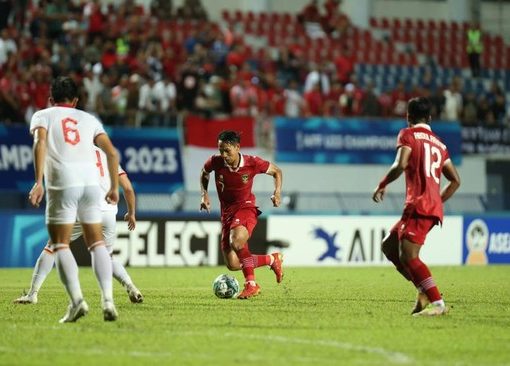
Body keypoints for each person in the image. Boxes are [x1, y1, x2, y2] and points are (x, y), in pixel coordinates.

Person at [28, 76, 120, 322]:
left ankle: (77, 301)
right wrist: (113, 187)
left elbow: (40, 142)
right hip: (92, 186)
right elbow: (111, 152)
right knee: (97, 243)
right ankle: (108, 301)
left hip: (63, 183)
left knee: (60, 244)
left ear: (51, 99)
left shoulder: (43, 115)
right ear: (77, 100)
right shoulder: (89, 119)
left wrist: (38, 182)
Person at [15, 147, 143, 305]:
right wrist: (131, 213)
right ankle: (131, 287)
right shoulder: (108, 156)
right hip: (108, 214)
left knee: (52, 247)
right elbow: (128, 189)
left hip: (84, 210)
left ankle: (32, 294)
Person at [372, 97, 461, 317]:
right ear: (430, 118)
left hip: (418, 205)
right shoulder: (440, 144)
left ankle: (438, 303)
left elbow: (400, 164)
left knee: (409, 256)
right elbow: (455, 180)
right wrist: (437, 201)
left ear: (408, 117)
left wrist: (382, 183)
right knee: (389, 246)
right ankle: (423, 290)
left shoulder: (408, 134)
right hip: (430, 206)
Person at [199, 130, 284, 299]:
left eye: (227, 151)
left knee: (236, 241)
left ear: (237, 148)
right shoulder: (215, 161)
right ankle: (272, 260)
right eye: (220, 150)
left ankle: (251, 284)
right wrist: (204, 194)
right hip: (227, 214)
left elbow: (277, 171)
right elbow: (204, 172)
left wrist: (277, 192)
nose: (223, 155)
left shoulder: (252, 163)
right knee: (233, 263)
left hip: (246, 208)